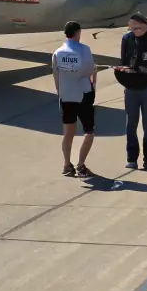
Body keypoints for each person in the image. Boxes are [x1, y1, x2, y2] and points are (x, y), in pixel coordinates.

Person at [115, 12, 147, 169]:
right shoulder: (126, 39)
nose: (135, 31)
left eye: (138, 28)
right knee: (131, 125)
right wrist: (123, 71)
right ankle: (131, 157)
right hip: (131, 89)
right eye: (132, 28)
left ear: (145, 26)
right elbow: (124, 60)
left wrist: (137, 69)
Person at [52, 20, 97, 178]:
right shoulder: (85, 50)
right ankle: (81, 165)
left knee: (68, 133)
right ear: (78, 32)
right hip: (83, 94)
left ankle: (66, 165)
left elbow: (56, 77)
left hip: (66, 96)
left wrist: (61, 93)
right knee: (89, 131)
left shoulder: (58, 53)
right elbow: (90, 70)